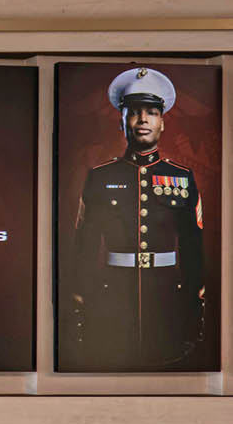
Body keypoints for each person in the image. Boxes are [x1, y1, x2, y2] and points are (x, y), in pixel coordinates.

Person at [69, 66, 205, 373]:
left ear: (162, 122)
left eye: (152, 113)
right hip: (113, 292)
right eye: (134, 112)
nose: (143, 120)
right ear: (121, 120)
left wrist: (197, 288)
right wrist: (81, 290)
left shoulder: (181, 177)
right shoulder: (99, 177)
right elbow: (86, 242)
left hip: (168, 293)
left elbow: (193, 241)